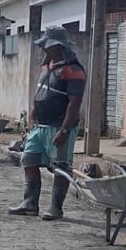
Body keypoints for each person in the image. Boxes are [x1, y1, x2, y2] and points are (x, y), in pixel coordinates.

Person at [8, 27, 87, 221]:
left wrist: (65, 130)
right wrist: (34, 110)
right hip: (40, 126)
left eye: (47, 46)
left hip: (59, 127)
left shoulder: (74, 70)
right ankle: (30, 203)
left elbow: (74, 103)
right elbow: (42, 90)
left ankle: (55, 207)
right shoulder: (48, 66)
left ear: (57, 46)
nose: (44, 49)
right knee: (29, 159)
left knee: (60, 166)